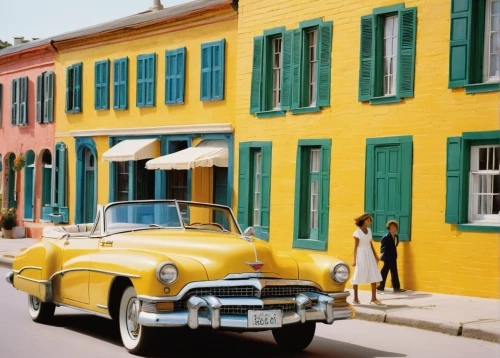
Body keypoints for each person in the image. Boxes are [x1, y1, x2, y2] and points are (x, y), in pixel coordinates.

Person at [351, 213, 384, 305]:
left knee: (373, 273)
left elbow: (370, 244)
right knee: (358, 274)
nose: (369, 221)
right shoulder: (357, 233)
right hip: (360, 254)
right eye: (368, 220)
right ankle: (355, 298)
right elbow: (355, 247)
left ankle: (373, 298)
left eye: (370, 220)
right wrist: (354, 260)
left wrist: (376, 256)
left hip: (369, 254)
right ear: (363, 220)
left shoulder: (369, 230)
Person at [377, 220, 406, 293]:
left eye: (395, 226)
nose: (394, 228)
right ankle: (380, 286)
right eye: (392, 226)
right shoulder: (386, 237)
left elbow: (395, 245)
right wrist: (385, 254)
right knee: (384, 272)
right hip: (387, 257)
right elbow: (382, 248)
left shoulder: (396, 236)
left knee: (394, 272)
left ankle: (396, 287)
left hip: (393, 257)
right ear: (389, 227)